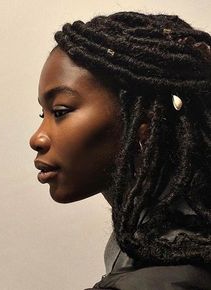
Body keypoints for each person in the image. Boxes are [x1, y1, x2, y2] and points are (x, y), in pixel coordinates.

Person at [29, 11, 211, 289]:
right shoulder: (143, 241)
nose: (38, 138)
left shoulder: (161, 279)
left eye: (60, 111)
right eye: (43, 115)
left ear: (145, 124)